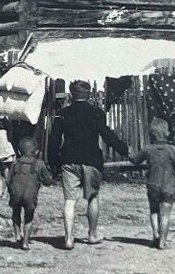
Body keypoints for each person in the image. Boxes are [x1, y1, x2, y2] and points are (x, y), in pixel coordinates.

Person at [48, 80, 129, 249]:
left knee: (69, 201)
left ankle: (69, 239)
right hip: (91, 160)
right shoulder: (97, 113)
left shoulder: (62, 114)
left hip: (69, 160)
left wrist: (53, 163)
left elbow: (54, 141)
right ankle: (92, 235)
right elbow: (107, 135)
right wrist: (125, 151)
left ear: (71, 95)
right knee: (92, 198)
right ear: (89, 95)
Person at [132, 118, 175, 249]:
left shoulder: (147, 149)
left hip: (153, 185)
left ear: (151, 134)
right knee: (165, 214)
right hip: (168, 186)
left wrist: (130, 153)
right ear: (167, 133)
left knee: (154, 211)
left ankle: (155, 236)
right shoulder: (173, 150)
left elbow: (135, 160)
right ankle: (162, 242)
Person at [6, 137, 54, 250]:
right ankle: (25, 243)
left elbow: (8, 180)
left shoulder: (15, 163)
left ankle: (17, 234)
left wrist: (10, 191)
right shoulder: (39, 164)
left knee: (16, 212)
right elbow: (47, 180)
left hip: (16, 194)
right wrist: (49, 181)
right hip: (30, 196)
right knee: (29, 218)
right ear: (36, 152)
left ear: (18, 152)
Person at [0, 116, 16, 196]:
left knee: (6, 175)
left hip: (6, 155)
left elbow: (8, 144)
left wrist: (10, 154)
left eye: (2, 122)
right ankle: (0, 192)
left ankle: (5, 193)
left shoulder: (7, 132)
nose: (1, 123)